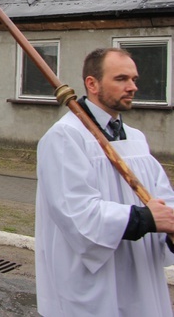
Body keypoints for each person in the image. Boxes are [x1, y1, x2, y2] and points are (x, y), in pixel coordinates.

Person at [35, 48, 174, 316]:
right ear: (92, 84)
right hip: (93, 285)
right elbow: (78, 214)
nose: (132, 87)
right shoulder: (65, 138)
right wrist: (146, 219)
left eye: (134, 79)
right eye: (121, 79)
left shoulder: (136, 139)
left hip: (142, 283)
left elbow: (163, 202)